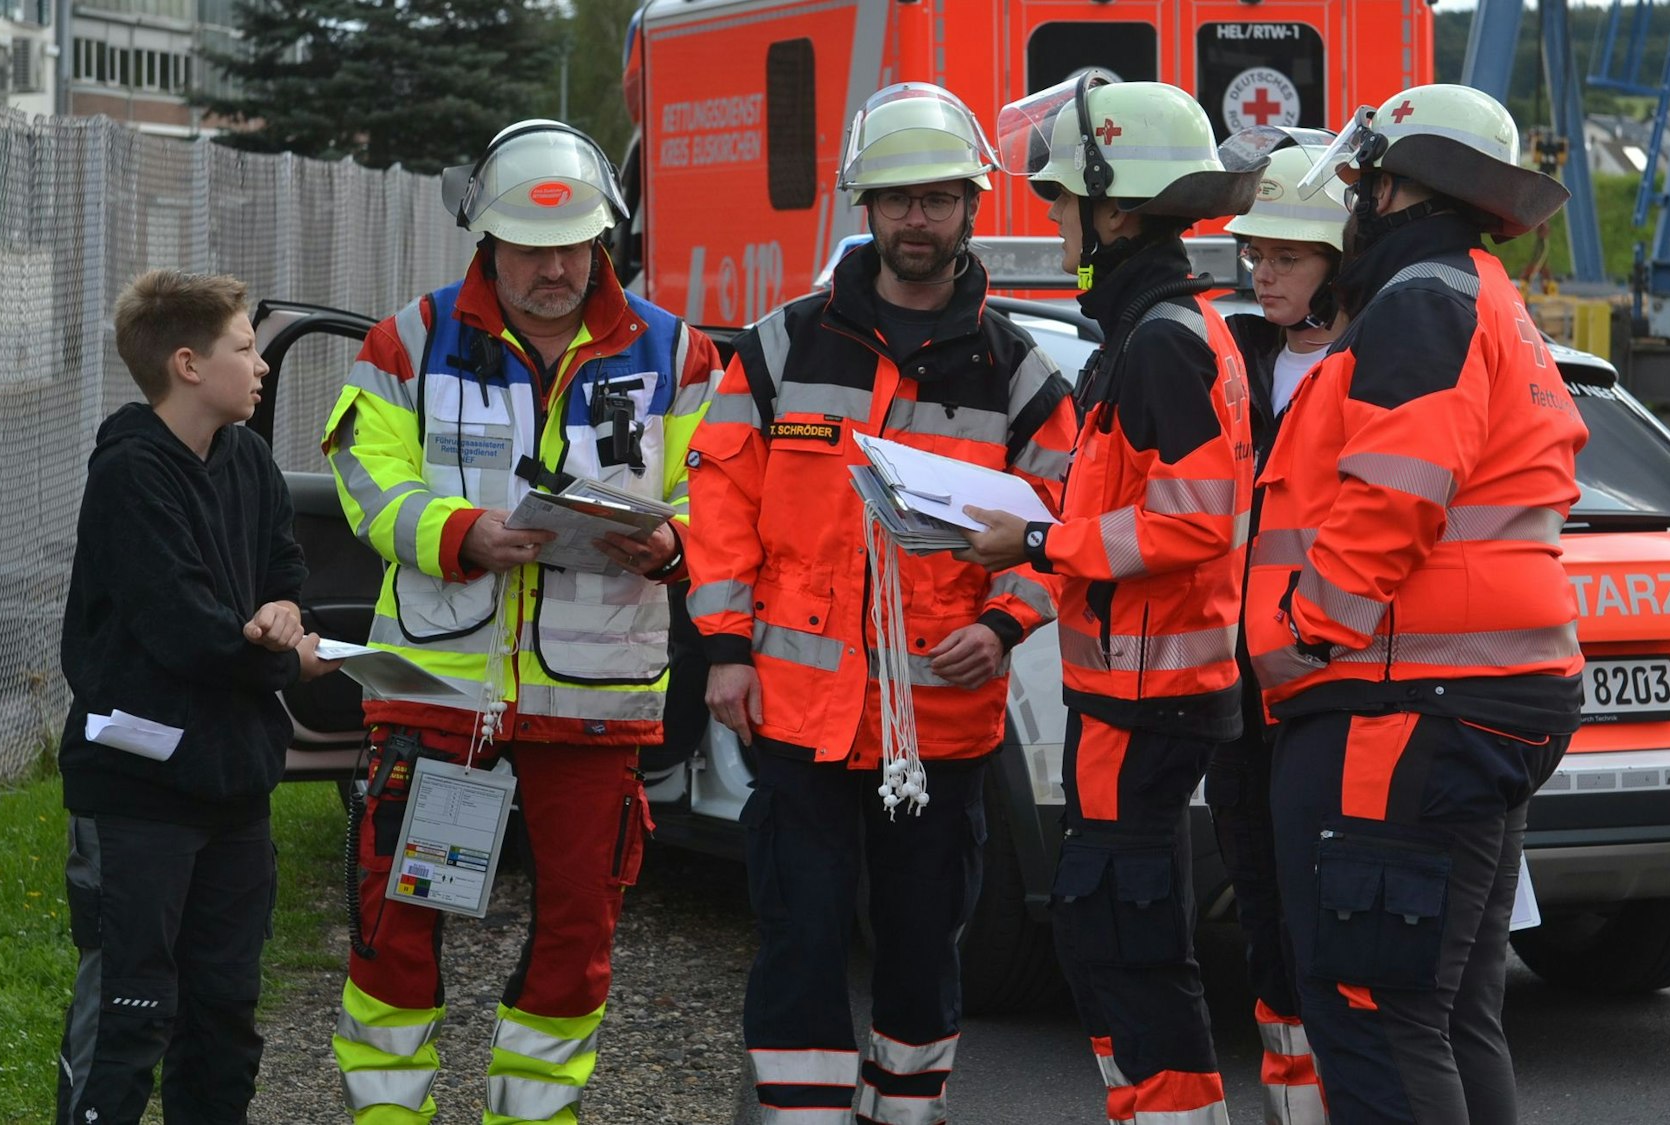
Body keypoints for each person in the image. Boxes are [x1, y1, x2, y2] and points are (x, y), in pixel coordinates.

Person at [686, 82, 1077, 1124]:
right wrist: (724, 645)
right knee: (800, 936)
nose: (916, 218)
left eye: (938, 198)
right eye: (898, 198)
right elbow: (716, 496)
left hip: (940, 726)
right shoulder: (780, 346)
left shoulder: (1019, 370)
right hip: (796, 714)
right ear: (864, 205)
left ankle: (904, 1112)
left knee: (918, 945)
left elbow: (1066, 523)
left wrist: (1005, 622)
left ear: (969, 207)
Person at [323, 119, 719, 1124]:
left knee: (577, 930)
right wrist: (459, 532)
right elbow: (365, 478)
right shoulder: (406, 342)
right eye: (530, 246)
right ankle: (386, 1113)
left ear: (605, 240)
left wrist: (674, 544)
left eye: (574, 244)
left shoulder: (678, 354)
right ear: (483, 240)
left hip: (592, 702)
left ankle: (531, 1118)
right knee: (394, 923)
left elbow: (725, 494)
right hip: (436, 696)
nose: (554, 266)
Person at [1246, 83, 1587, 1124]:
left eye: (1361, 182)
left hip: (1400, 702)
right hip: (1473, 696)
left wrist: (1304, 634)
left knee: (1372, 1011)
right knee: (1443, 1012)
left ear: (1392, 187)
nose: (1352, 202)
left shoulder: (1420, 300)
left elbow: (1396, 491)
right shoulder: (1484, 295)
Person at [963, 74, 1261, 1125]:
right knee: (1106, 931)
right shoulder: (1153, 328)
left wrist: (1038, 539)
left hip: (1151, 697)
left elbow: (1191, 523)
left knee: (1126, 936)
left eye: (1060, 201)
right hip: (1132, 692)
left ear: (1116, 208)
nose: (1051, 219)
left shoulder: (1162, 340)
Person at [55, 269, 339, 1124]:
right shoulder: (131, 473)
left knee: (223, 1016)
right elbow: (186, 629)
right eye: (246, 349)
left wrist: (288, 612)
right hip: (139, 792)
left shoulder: (249, 458)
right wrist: (288, 660)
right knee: (132, 1013)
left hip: (235, 788)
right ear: (186, 363)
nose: (260, 367)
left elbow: (284, 575)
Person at [1211, 132, 1353, 1125]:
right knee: (1264, 915)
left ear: (1339, 264)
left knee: (1337, 931)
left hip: (1337, 691)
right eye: (1255, 253)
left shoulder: (1380, 371)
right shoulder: (1231, 359)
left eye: (1286, 257)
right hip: (1243, 692)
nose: (1261, 271)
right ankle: (1293, 1111)